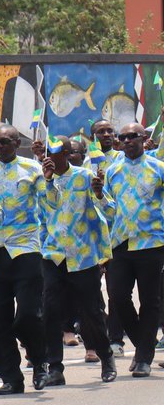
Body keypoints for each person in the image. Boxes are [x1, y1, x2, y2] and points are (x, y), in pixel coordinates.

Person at [0, 124, 48, 395]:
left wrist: (50, 180)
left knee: (28, 314)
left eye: (5, 142)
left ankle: (40, 361)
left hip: (26, 248)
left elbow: (51, 202)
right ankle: (11, 378)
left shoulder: (33, 169)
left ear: (18, 143)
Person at [40, 139, 118, 385]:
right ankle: (55, 368)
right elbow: (48, 205)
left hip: (82, 256)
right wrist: (49, 179)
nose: (49, 158)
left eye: (54, 154)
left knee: (91, 312)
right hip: (53, 255)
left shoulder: (85, 177)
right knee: (51, 312)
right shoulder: (43, 179)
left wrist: (98, 193)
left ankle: (106, 357)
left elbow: (110, 211)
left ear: (66, 154)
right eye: (46, 154)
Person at [102, 123, 164, 377]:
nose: (127, 140)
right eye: (123, 137)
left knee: (150, 301)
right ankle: (144, 346)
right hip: (120, 244)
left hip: (152, 242)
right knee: (117, 296)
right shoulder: (112, 170)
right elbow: (106, 211)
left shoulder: (158, 168)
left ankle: (143, 359)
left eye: (132, 136)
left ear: (143, 138)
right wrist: (99, 197)